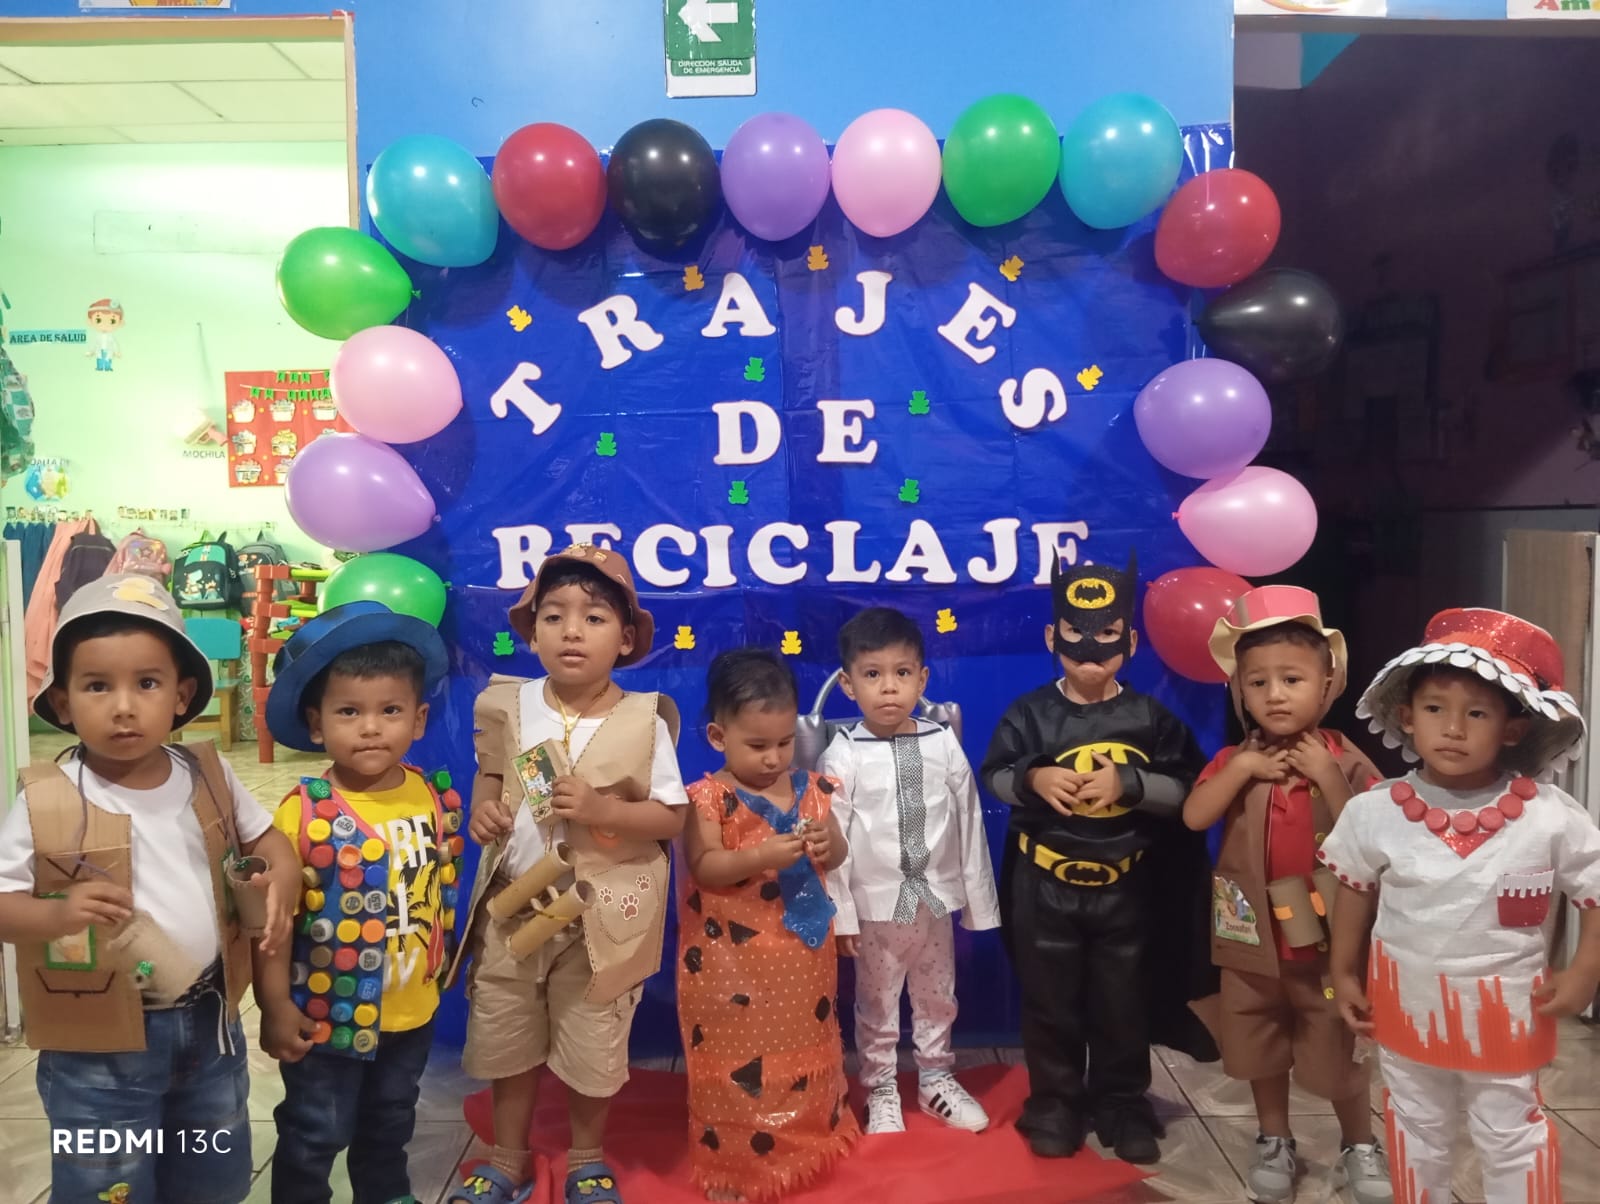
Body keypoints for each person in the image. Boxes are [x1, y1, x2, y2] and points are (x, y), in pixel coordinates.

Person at [0, 572, 297, 1203]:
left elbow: (269, 841)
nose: (124, 706)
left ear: (182, 694)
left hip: (210, 1025)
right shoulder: (45, 800)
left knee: (209, 1176)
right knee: (106, 1183)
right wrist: (57, 914)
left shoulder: (208, 773)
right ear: (62, 702)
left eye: (147, 683)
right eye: (97, 686)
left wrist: (280, 880)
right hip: (96, 1053)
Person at [1323, 608, 1600, 1204]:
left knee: (1510, 1132)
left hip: (1509, 1012)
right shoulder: (1375, 811)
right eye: (1434, 709)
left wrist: (1586, 969)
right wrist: (1342, 971)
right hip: (1405, 1009)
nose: (1453, 728)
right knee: (1415, 1125)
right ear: (1407, 717)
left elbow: (1595, 889)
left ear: (1512, 729)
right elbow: (1355, 890)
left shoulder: (1548, 815)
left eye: (1476, 713)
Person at [449, 544, 689, 1204]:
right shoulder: (510, 704)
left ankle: (586, 1157)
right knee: (506, 1030)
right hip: (512, 906)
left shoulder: (643, 720)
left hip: (599, 916)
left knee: (593, 1036)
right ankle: (507, 1157)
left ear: (626, 638)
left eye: (594, 617)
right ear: (532, 633)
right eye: (553, 617)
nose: (572, 631)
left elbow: (671, 817)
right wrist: (483, 810)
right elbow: (492, 773)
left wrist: (603, 810)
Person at [980, 553, 1214, 1165]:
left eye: (1107, 633)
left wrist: (1130, 785)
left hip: (1125, 889)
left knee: (1122, 1002)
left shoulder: (1152, 719)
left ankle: (1122, 1103)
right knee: (1049, 1004)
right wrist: (1034, 778)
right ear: (1051, 636)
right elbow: (994, 774)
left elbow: (1189, 791)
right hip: (1044, 886)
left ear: (1130, 641)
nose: (1090, 647)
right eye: (1075, 632)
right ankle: (1056, 1104)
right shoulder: (1028, 714)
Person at [1181, 585, 1390, 1204]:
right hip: (1252, 945)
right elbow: (1195, 816)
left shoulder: (1346, 759)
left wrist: (1328, 777)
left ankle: (1359, 1143)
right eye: (1258, 682)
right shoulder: (1234, 759)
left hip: (1329, 950)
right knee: (1260, 1046)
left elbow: (1375, 839)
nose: (1275, 694)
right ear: (1239, 692)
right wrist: (1241, 770)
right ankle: (1274, 1137)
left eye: (1292, 679)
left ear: (1327, 685)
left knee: (1339, 1050)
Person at [253, 601, 460, 1204]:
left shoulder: (432, 795)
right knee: (315, 1129)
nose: (371, 727)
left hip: (413, 1008)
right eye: (349, 711)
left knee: (392, 1121)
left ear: (419, 719)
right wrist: (274, 1005)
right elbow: (273, 925)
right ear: (316, 723)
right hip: (327, 1012)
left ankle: (386, 1192)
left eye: (390, 710)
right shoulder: (304, 813)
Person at [679, 648, 858, 1201]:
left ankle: (805, 1142)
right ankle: (734, 1163)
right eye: (757, 746)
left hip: (801, 958)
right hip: (729, 968)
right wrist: (761, 857)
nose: (773, 757)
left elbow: (839, 852)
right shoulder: (709, 798)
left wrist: (829, 845)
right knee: (736, 1060)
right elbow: (704, 866)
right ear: (718, 737)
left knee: (804, 1044)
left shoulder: (812, 789)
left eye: (783, 743)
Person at [821, 606, 999, 1135]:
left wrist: (978, 904)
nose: (889, 688)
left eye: (902, 673)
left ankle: (935, 1078)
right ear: (849, 685)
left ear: (922, 679)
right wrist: (841, 917)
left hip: (934, 904)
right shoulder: (842, 755)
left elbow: (968, 819)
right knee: (876, 1003)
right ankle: (879, 1086)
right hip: (875, 911)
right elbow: (831, 843)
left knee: (937, 995)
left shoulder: (942, 742)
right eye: (872, 674)